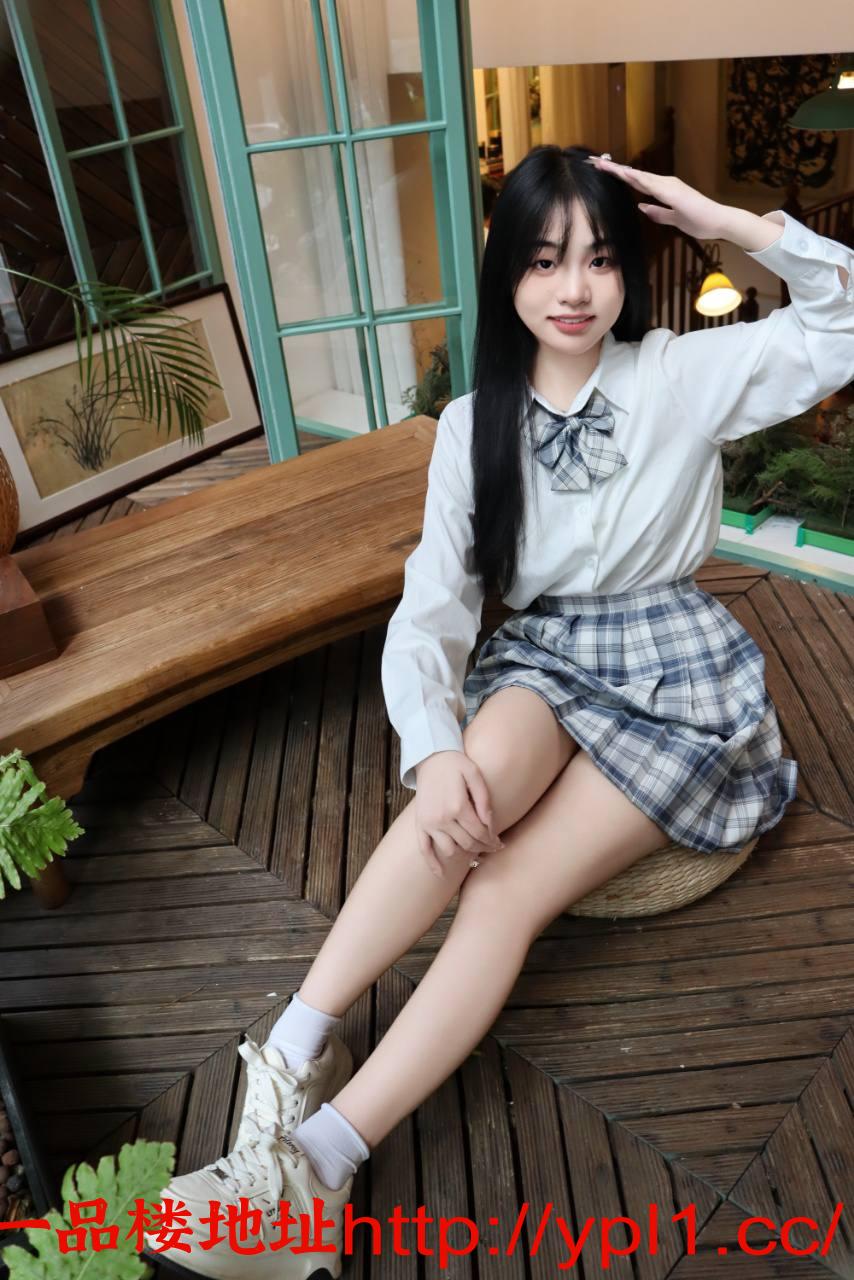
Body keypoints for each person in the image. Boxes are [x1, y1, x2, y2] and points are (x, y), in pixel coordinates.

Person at [143, 145, 854, 1279]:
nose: (573, 288)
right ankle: (290, 1051)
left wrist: (727, 221)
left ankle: (316, 1166)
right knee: (458, 802)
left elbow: (842, 323)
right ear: (506, 273)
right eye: (542, 259)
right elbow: (432, 605)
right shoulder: (472, 422)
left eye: (599, 259)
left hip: (673, 664)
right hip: (547, 652)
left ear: (628, 271)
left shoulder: (679, 372)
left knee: (505, 887)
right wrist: (430, 751)